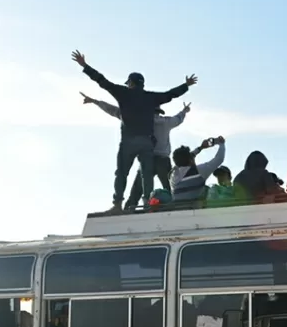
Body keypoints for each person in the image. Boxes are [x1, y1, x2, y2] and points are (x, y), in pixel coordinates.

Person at [71, 50, 196, 213]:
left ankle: (117, 204)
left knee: (122, 173)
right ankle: (147, 203)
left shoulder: (123, 93)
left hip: (129, 141)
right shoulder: (150, 98)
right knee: (146, 175)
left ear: (130, 83)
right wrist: (186, 85)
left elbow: (102, 81)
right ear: (142, 84)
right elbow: (169, 95)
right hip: (146, 142)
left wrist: (85, 66)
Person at [82, 92, 191, 210]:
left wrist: (96, 102)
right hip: (162, 160)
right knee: (170, 189)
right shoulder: (166, 122)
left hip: (146, 159)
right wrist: (185, 110)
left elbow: (114, 110)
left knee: (137, 190)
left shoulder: (136, 120)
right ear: (159, 112)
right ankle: (174, 208)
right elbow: (179, 118)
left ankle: (129, 208)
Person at [170, 138, 227, 204]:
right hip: (197, 210)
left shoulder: (173, 176)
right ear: (190, 159)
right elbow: (219, 159)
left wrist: (200, 148)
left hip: (177, 210)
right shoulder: (199, 172)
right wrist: (222, 144)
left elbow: (182, 161)